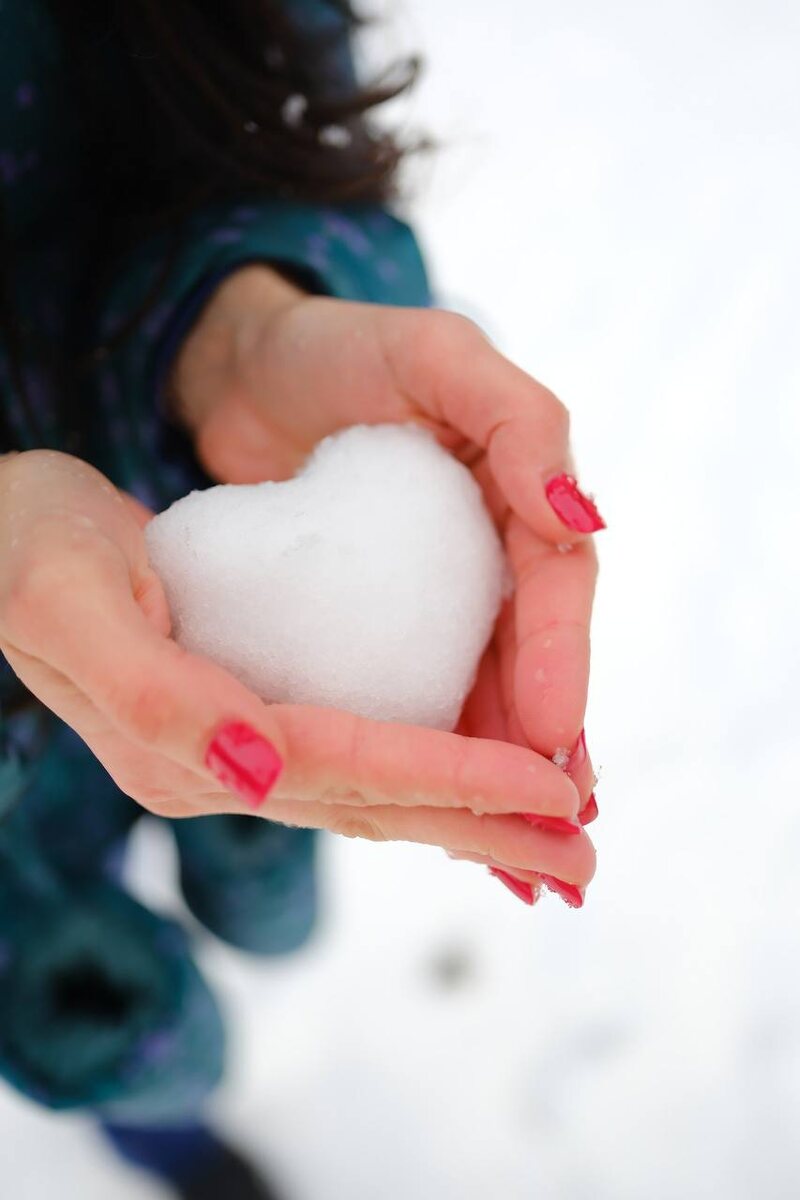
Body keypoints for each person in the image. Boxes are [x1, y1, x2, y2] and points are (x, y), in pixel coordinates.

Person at [0, 1, 601, 1195]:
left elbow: (283, 113)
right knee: (104, 1010)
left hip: (186, 590)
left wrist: (244, 326)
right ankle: (167, 1135)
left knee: (251, 862)